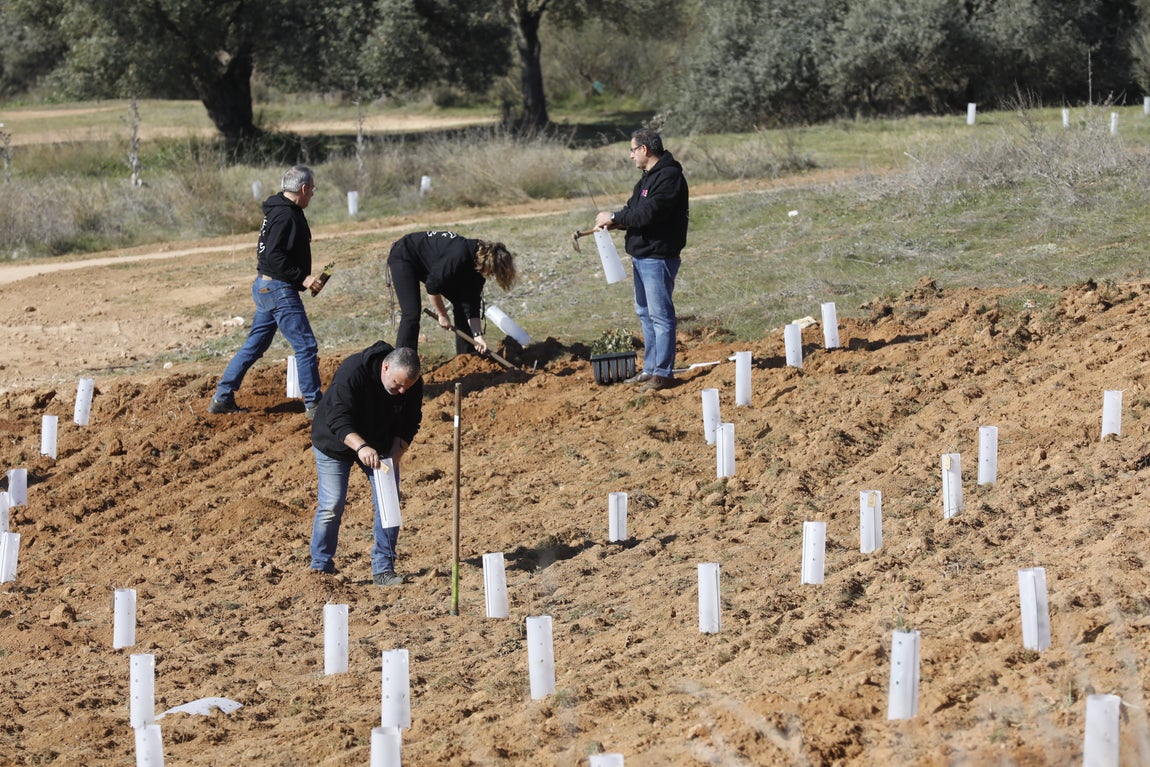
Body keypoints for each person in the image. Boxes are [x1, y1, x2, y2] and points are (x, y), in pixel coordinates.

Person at [208, 165, 324, 418]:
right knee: (305, 346)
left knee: (254, 346)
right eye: (312, 189)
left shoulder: (279, 208)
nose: (313, 194)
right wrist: (302, 278)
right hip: (277, 289)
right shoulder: (285, 215)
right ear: (303, 189)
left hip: (265, 286)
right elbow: (272, 255)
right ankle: (315, 406)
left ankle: (222, 397)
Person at [309, 341, 423, 586]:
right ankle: (320, 567)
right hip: (335, 441)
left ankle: (384, 568)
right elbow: (337, 418)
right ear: (385, 368)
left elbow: (410, 422)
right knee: (331, 505)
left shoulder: (411, 384)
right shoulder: (353, 372)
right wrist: (361, 446)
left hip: (379, 443)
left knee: (388, 502)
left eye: (407, 387)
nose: (402, 391)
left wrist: (393, 457)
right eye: (397, 384)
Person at [594, 129, 689, 393]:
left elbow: (649, 214)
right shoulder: (646, 179)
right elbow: (634, 212)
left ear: (645, 150)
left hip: (658, 257)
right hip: (641, 255)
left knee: (661, 315)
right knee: (645, 314)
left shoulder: (669, 178)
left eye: (632, 150)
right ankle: (650, 369)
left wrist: (613, 215)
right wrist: (614, 223)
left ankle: (663, 373)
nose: (630, 155)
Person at [387, 230, 517, 355]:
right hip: (405, 255)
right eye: (493, 272)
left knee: (461, 304)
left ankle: (466, 357)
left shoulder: (478, 268)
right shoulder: (459, 254)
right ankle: (402, 363)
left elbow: (471, 303)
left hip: (432, 264)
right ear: (490, 263)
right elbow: (432, 285)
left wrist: (477, 336)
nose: (491, 275)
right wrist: (442, 314)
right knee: (411, 313)